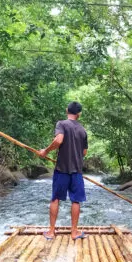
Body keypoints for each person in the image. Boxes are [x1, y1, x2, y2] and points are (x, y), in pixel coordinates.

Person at [37, 101, 88, 240]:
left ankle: (52, 232)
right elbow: (84, 152)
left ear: (67, 111)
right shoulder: (83, 130)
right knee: (76, 201)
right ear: (79, 114)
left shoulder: (62, 124)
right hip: (76, 170)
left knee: (55, 199)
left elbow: (59, 140)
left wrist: (45, 152)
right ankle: (74, 232)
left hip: (62, 169)